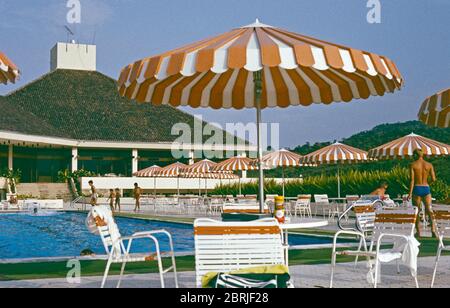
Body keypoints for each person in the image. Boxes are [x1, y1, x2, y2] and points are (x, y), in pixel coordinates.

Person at [408, 149, 437, 238]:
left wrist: (410, 193)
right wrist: (427, 184)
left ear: (416, 155)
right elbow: (433, 179)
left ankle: (418, 232)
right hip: (426, 188)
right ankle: (433, 230)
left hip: (417, 188)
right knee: (429, 210)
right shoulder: (429, 165)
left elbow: (412, 180)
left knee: (417, 211)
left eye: (413, 155)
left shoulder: (412, 165)